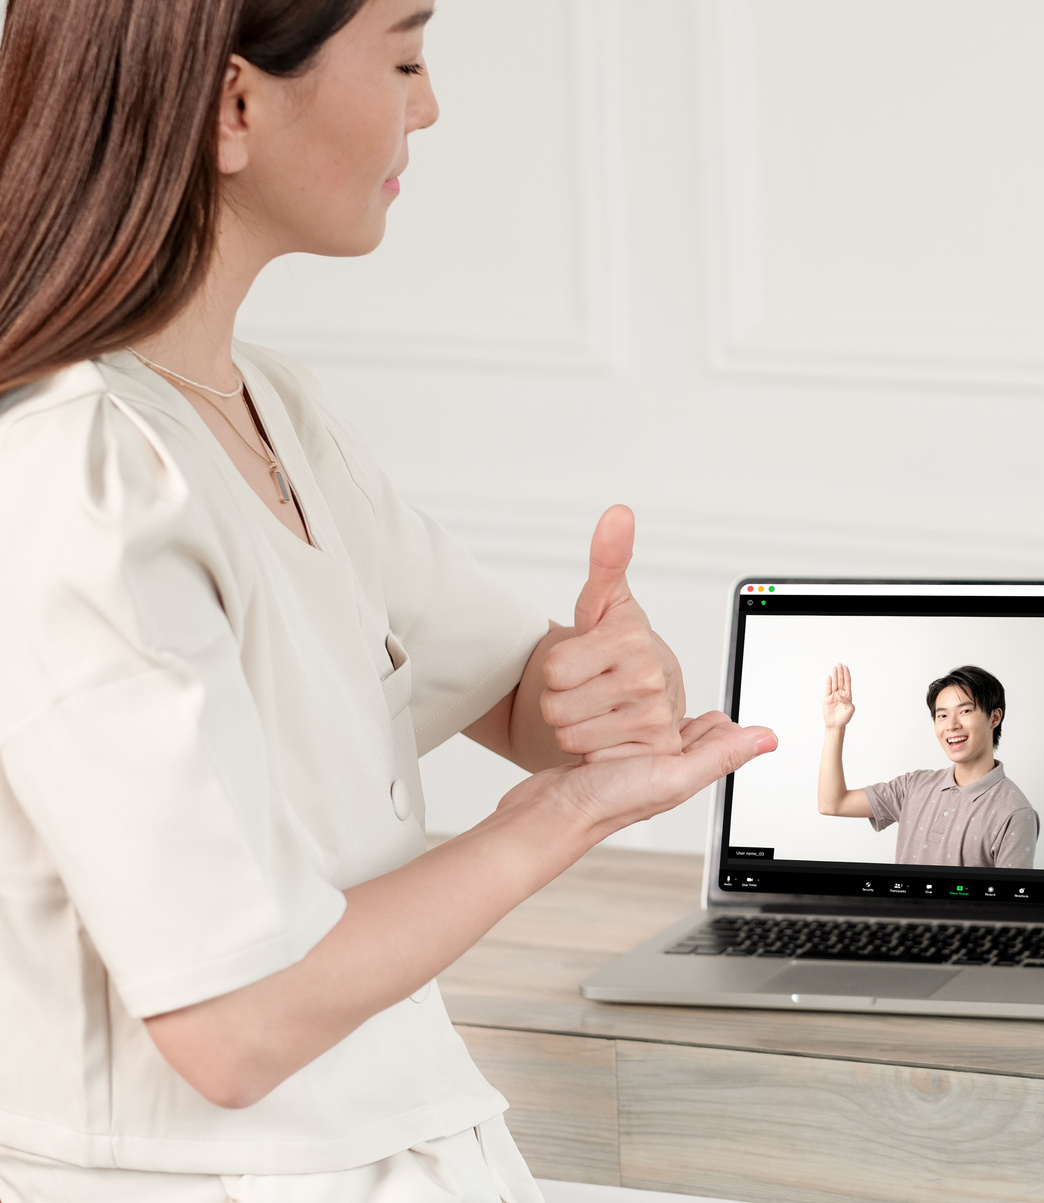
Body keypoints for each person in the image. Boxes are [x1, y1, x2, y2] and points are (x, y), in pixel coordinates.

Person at [0, 2, 776, 1200]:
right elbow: (233, 1025)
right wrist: (564, 812)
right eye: (406, 57)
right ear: (234, 106)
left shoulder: (267, 408)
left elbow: (516, 689)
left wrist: (598, 688)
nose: (429, 105)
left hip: (396, 1141)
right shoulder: (79, 472)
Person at [816, 664, 1038, 869]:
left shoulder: (1016, 812)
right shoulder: (914, 785)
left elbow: (1008, 906)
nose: (951, 725)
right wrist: (834, 728)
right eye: (942, 715)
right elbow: (832, 803)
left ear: (994, 718)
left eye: (965, 711)